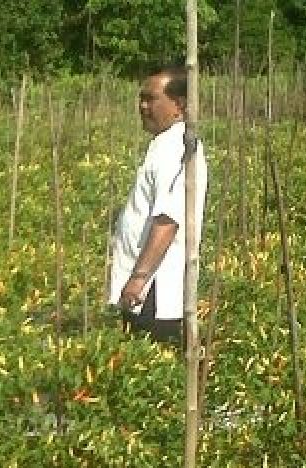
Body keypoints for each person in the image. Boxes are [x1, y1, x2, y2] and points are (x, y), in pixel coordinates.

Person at [109, 65, 207, 346]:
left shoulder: (177, 148)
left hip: (154, 286)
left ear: (179, 105)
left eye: (151, 99)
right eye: (141, 98)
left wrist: (139, 278)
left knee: (149, 357)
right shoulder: (163, 144)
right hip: (146, 282)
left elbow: (168, 221)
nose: (142, 106)